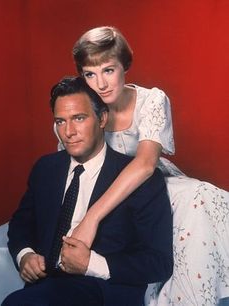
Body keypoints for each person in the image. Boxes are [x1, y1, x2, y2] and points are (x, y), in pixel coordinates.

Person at [54, 26, 229, 305]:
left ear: (125, 66)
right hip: (102, 187)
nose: (101, 84)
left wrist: (92, 218)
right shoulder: (80, 112)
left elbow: (146, 165)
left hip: (150, 183)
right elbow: (71, 171)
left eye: (109, 70)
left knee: (199, 196)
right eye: (90, 74)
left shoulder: (152, 100)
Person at [2, 76, 173, 306]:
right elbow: (21, 224)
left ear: (102, 118)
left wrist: (91, 263)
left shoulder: (140, 179)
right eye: (60, 121)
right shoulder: (45, 168)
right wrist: (25, 255)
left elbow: (158, 262)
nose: (69, 131)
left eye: (79, 118)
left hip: (103, 291)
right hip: (45, 288)